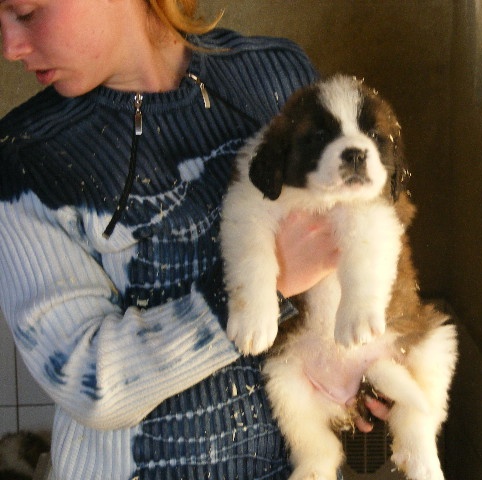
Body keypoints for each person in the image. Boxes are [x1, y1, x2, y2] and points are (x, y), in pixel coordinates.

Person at [0, 1, 388, 479]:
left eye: (26, 12)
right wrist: (270, 280)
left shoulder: (277, 77)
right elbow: (91, 384)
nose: (10, 47)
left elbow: (362, 224)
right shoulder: (27, 161)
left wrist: (370, 361)